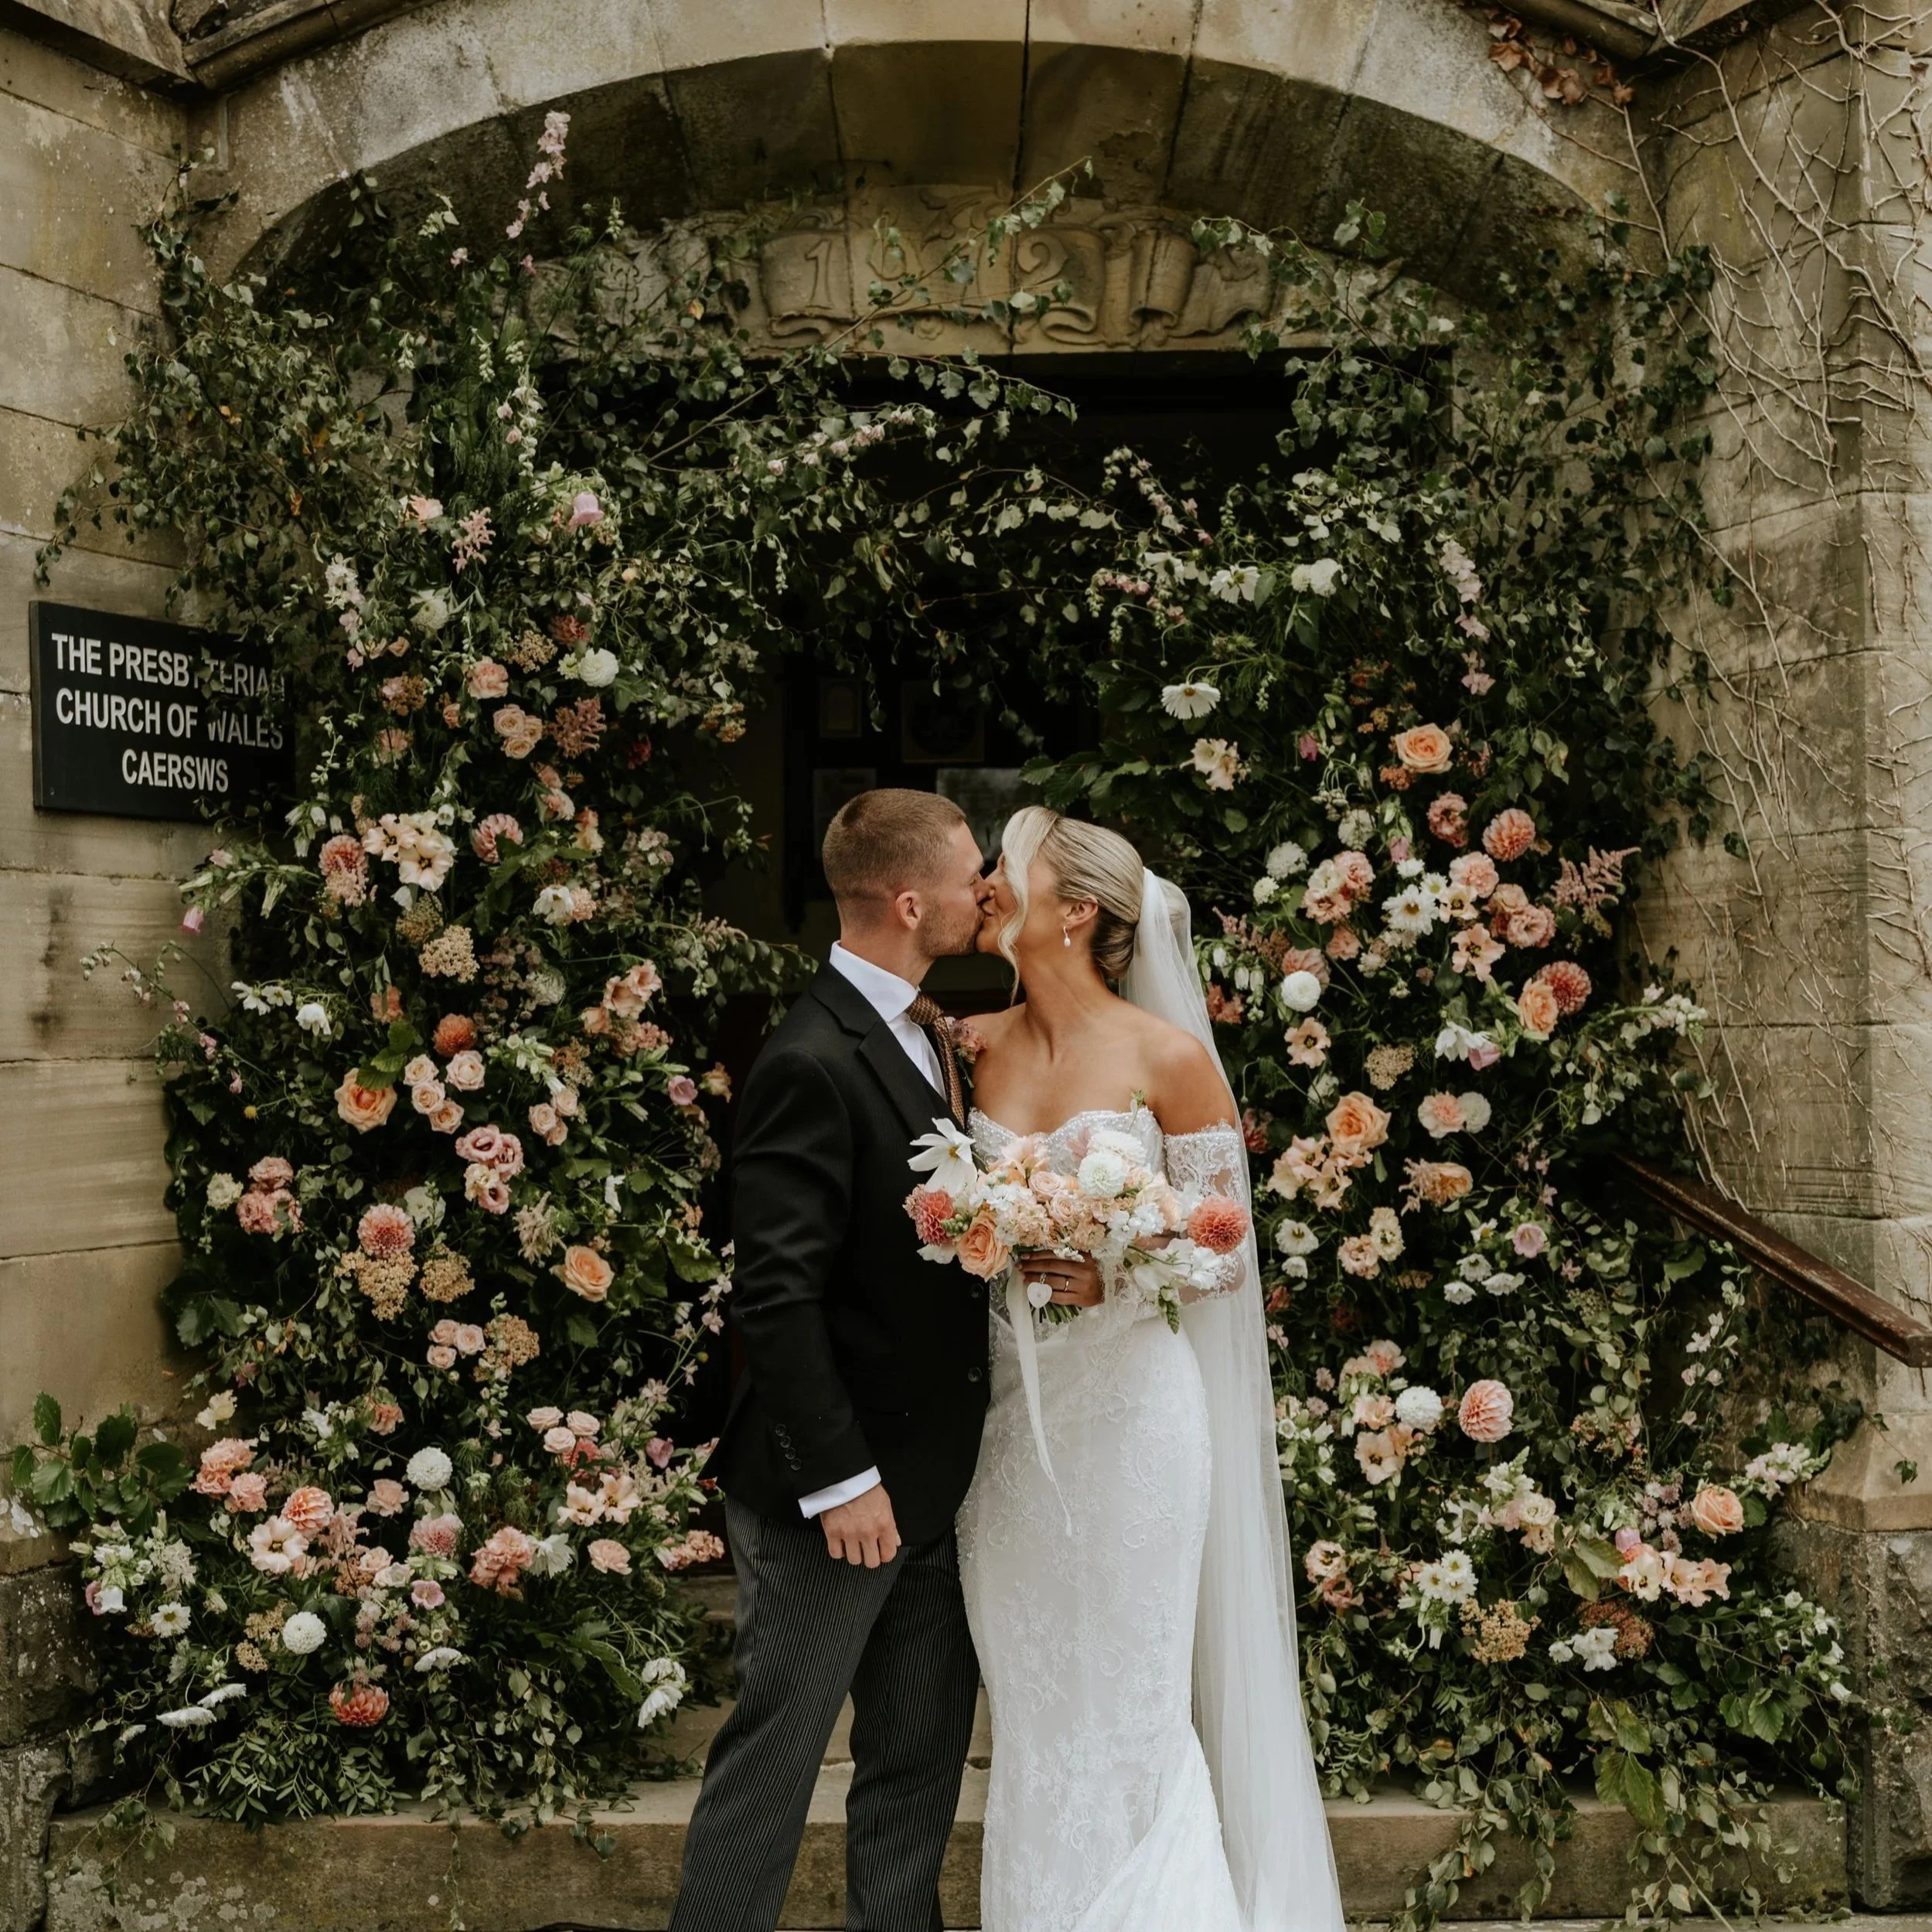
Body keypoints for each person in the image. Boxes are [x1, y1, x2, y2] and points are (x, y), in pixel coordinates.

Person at [956, 805, 1344, 1932]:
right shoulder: (966, 1044)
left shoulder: (1168, 1056)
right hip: (1011, 1432)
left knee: (1129, 1707)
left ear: (1074, 908)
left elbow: (1223, 1243)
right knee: (1035, 1717)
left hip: (1133, 1419)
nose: (983, 881)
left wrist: (1120, 1273)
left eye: (1004, 865)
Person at [671, 786, 1022, 1932]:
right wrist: (840, 1478)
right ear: (910, 899)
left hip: (933, 1482)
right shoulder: (808, 1057)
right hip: (836, 1497)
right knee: (774, 1763)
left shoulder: (929, 1031)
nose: (990, 889)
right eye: (974, 871)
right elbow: (774, 1296)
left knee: (915, 1768)